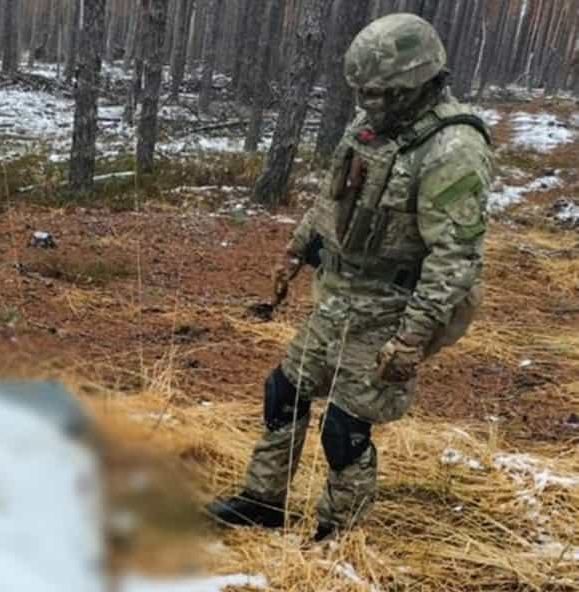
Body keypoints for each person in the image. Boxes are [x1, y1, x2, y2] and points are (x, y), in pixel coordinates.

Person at [208, 13, 494, 540]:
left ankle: (338, 536)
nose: (370, 104)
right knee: (284, 391)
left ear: (419, 81)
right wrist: (295, 252)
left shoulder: (453, 149)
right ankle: (263, 501)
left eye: (383, 93)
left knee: (346, 427)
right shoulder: (368, 126)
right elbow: (330, 200)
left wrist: (411, 337)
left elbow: (456, 256)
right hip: (338, 294)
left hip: (391, 306)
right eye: (363, 92)